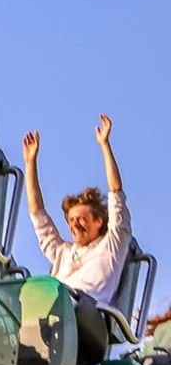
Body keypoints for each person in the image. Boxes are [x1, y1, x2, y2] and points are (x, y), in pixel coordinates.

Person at [24, 117, 131, 305]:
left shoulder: (112, 245)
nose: (75, 224)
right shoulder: (62, 253)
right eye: (71, 220)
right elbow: (37, 213)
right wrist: (30, 163)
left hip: (87, 316)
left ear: (98, 221)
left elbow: (116, 193)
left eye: (81, 219)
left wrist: (104, 144)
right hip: (56, 314)